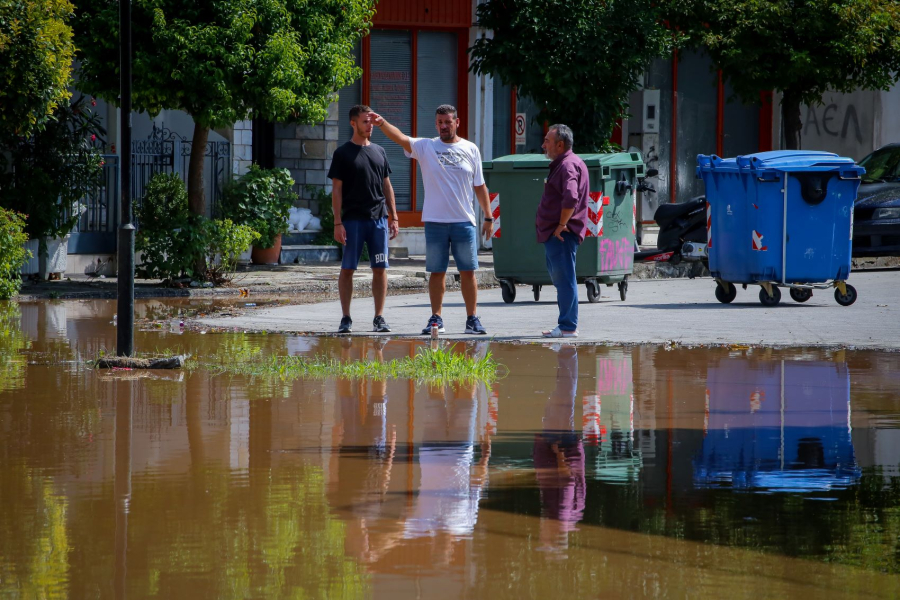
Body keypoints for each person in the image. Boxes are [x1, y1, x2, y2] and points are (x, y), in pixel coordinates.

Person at [367, 104, 493, 335]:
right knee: (437, 272)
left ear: (457, 122)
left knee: (468, 271)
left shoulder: (471, 149)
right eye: (440, 122)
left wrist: (488, 216)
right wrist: (381, 123)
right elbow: (401, 138)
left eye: (448, 122)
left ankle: (472, 319)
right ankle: (436, 318)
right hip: (435, 222)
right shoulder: (426, 147)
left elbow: (480, 186)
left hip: (464, 222)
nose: (444, 126)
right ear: (436, 124)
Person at [327, 104, 400, 334]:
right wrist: (337, 222)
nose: (370, 126)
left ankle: (379, 317)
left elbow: (387, 185)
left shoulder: (379, 151)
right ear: (353, 123)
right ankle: (346, 318)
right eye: (365, 121)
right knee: (348, 268)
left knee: (380, 268)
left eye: (372, 122)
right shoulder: (342, 153)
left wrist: (394, 217)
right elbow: (336, 190)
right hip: (352, 221)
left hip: (378, 219)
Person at [536, 124, 589, 338]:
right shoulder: (567, 163)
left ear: (560, 145)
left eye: (547, 141)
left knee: (565, 280)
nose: (543, 145)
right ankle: (566, 325)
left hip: (561, 234)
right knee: (563, 280)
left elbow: (571, 197)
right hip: (556, 233)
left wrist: (561, 225)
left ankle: (567, 327)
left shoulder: (567, 165)